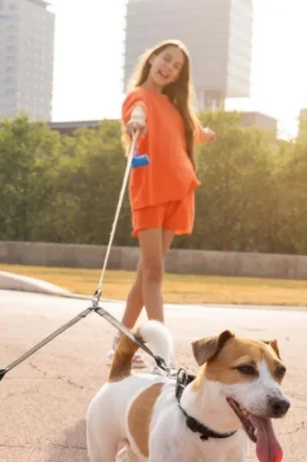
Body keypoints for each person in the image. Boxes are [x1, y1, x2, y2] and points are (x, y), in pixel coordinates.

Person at [108, 39, 216, 368]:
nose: (168, 67)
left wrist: (205, 133)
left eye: (177, 66)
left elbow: (190, 132)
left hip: (179, 190)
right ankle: (162, 352)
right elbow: (136, 111)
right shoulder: (139, 97)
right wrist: (136, 123)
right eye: (166, 59)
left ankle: (121, 341)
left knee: (146, 273)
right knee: (154, 272)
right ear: (152, 57)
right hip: (150, 190)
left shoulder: (174, 107)